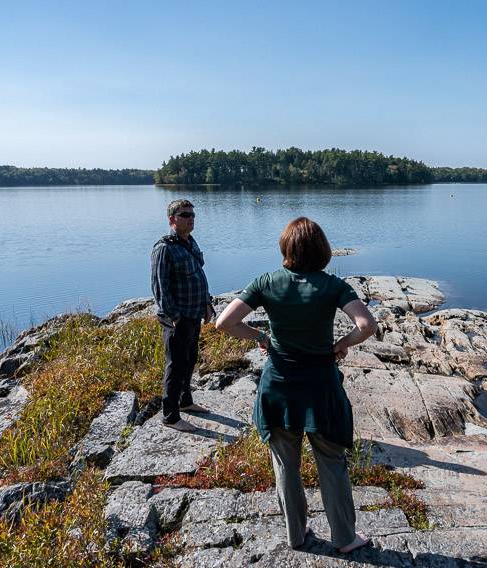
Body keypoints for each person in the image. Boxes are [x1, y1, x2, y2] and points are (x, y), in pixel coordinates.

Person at [216, 217, 377, 553]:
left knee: (285, 465)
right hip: (321, 389)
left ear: (285, 248)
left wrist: (262, 336)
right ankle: (345, 538)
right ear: (323, 250)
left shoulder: (267, 282)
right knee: (332, 464)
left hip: (279, 389)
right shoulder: (333, 286)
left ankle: (296, 534)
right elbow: (367, 324)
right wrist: (342, 344)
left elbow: (224, 322)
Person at [150, 199, 215, 432]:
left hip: (194, 313)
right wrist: (175, 317)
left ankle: (185, 402)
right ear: (172, 220)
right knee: (175, 365)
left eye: (192, 215)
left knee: (190, 360)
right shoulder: (164, 248)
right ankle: (170, 416)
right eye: (185, 215)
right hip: (177, 319)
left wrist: (207, 303)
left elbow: (198, 275)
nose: (191, 218)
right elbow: (160, 288)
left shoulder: (190, 242)